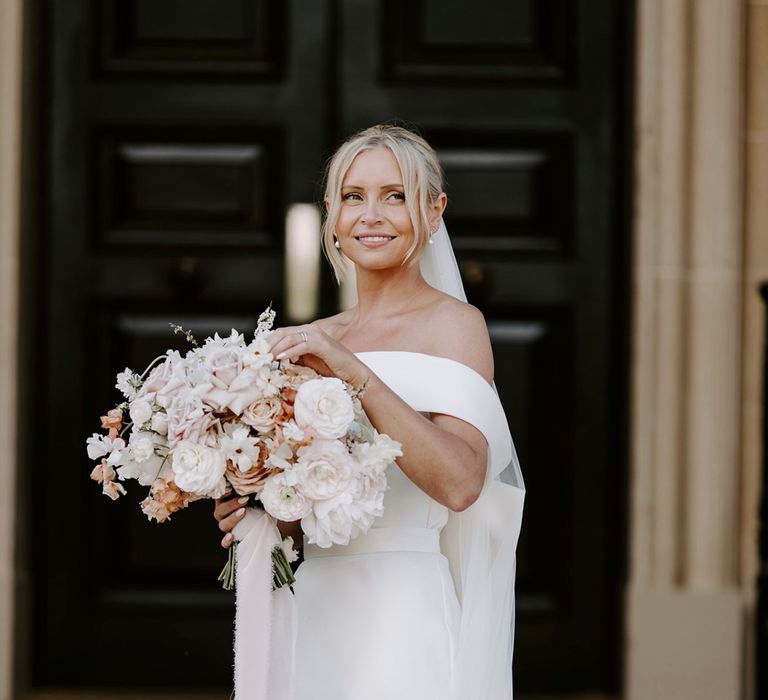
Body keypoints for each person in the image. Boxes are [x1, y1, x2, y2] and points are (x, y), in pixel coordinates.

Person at [213, 124, 525, 699]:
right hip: (312, 607)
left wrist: (353, 373)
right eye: (353, 196)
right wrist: (259, 507)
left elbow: (460, 483)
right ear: (331, 213)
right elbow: (311, 503)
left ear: (435, 211)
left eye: (395, 195)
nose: (371, 215)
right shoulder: (310, 340)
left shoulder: (454, 326)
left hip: (403, 610)